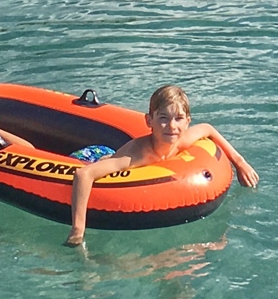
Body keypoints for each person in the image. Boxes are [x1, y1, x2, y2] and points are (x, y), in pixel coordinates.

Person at [67, 84, 256, 246]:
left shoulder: (182, 140)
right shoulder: (138, 155)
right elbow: (83, 175)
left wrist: (240, 162)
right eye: (163, 118)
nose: (172, 126)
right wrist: (78, 228)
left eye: (179, 119)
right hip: (95, 155)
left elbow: (208, 129)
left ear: (188, 122)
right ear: (149, 121)